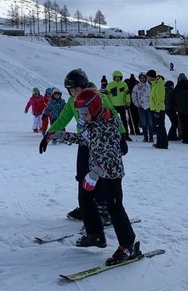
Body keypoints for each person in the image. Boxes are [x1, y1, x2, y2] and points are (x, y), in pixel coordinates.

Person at [49, 89, 140, 266]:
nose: (82, 116)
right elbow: (85, 141)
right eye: (80, 113)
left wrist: (95, 172)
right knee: (85, 197)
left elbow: (112, 155)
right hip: (96, 173)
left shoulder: (108, 125)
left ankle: (128, 244)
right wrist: (61, 135)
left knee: (114, 206)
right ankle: (95, 235)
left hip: (111, 174)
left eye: (84, 112)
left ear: (95, 107)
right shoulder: (91, 123)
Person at [39, 69, 127, 225]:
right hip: (84, 141)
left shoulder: (97, 97)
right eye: (70, 90)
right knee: (81, 176)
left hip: (101, 143)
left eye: (76, 89)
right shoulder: (72, 102)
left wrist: (121, 136)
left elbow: (113, 114)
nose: (73, 93)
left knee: (99, 175)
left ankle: (103, 208)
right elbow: (62, 120)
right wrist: (48, 135)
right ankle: (87, 206)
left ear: (84, 85)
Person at [106, 70, 133, 141]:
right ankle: (112, 134)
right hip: (112, 106)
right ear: (113, 77)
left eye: (119, 77)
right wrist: (107, 104)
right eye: (116, 77)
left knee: (124, 120)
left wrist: (128, 101)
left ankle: (126, 134)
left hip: (121, 105)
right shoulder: (110, 85)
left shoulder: (124, 84)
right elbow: (106, 95)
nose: (117, 78)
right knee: (112, 121)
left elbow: (127, 94)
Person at [147, 69, 168, 149]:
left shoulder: (159, 85)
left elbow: (160, 99)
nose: (147, 78)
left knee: (160, 127)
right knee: (158, 127)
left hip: (158, 110)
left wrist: (157, 110)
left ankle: (163, 143)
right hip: (154, 109)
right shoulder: (154, 84)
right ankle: (160, 142)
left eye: (148, 76)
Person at [131, 73, 153, 142]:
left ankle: (151, 137)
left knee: (150, 123)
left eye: (144, 78)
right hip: (141, 107)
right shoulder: (136, 86)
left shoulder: (150, 86)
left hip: (149, 107)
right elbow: (134, 96)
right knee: (144, 123)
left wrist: (152, 104)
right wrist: (137, 104)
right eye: (141, 78)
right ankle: (145, 137)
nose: (142, 79)